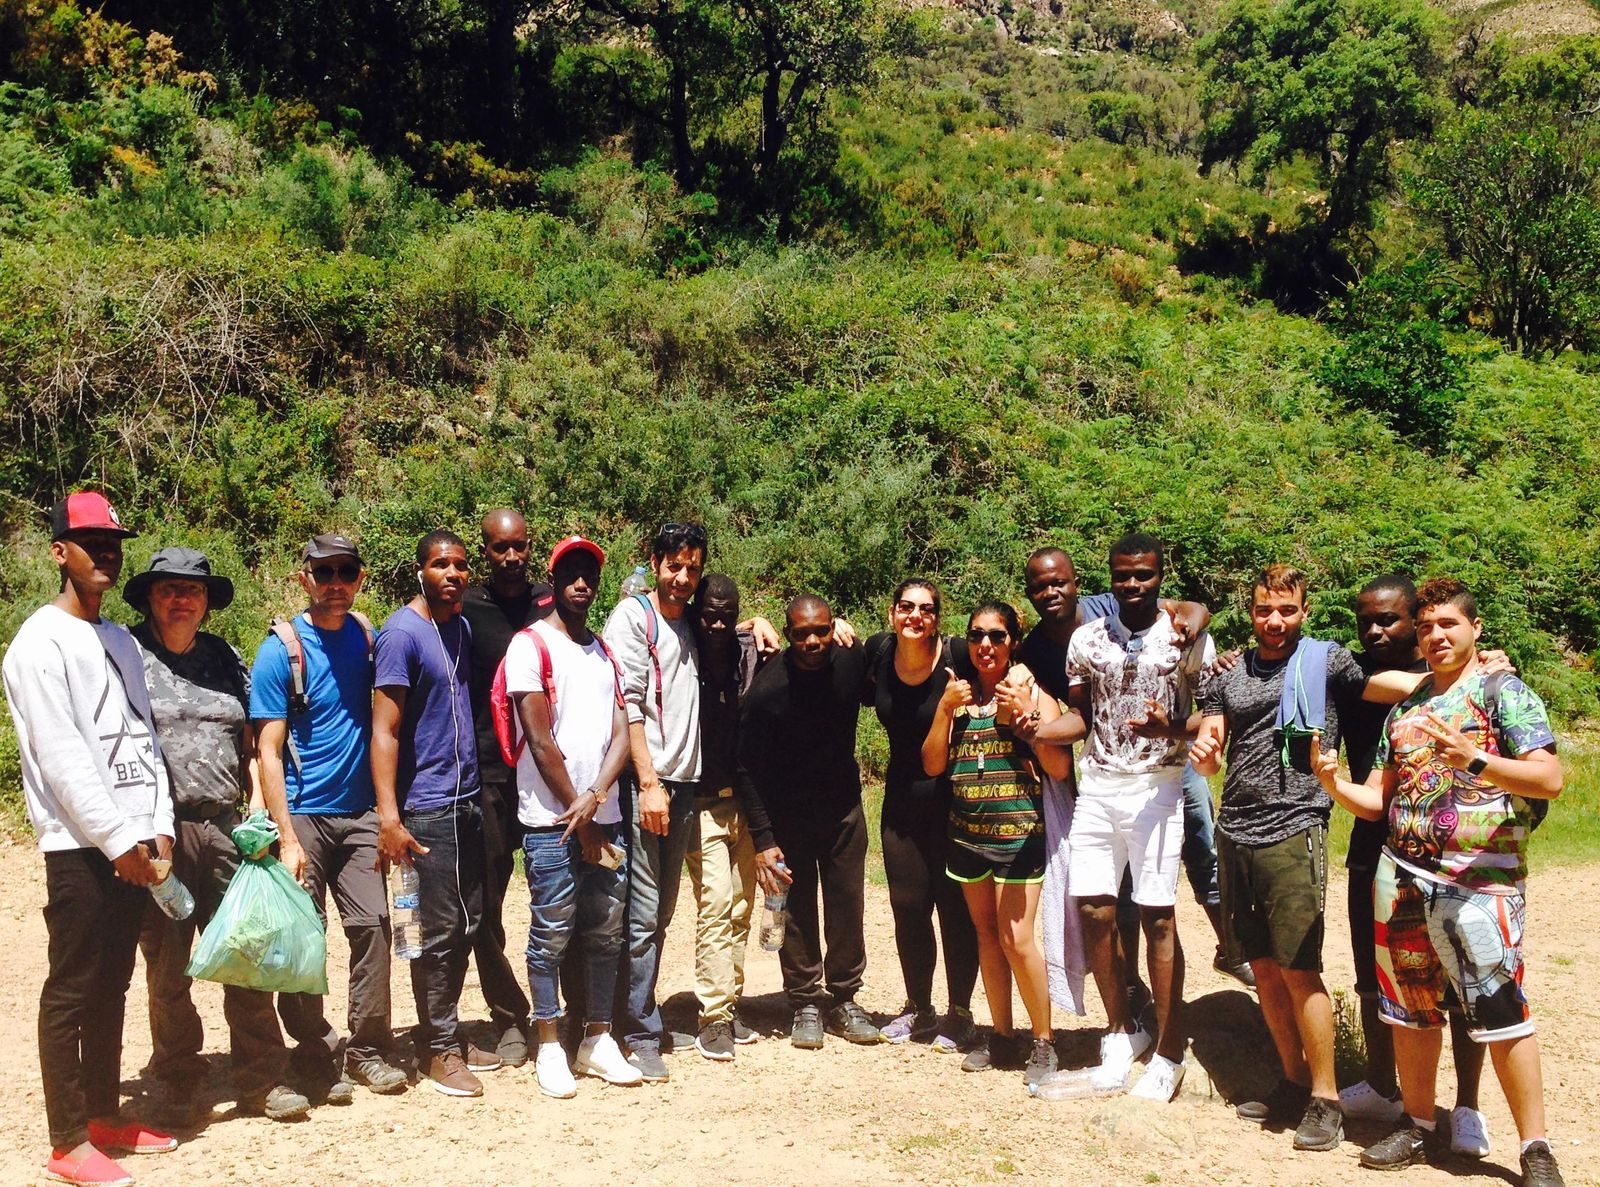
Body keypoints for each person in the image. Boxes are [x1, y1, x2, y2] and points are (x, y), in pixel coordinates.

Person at [1311, 578, 1566, 1187]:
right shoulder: (1407, 708)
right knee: (1410, 1009)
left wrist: (1474, 760)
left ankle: (1535, 1148)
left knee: (1501, 1011)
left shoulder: (1504, 692)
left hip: (1481, 883)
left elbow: (1549, 778)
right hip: (1402, 878)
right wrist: (1330, 782)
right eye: (1426, 628)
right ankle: (1419, 1124)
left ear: (1475, 629)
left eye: (1448, 624)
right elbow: (1376, 800)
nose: (1435, 636)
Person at [1190, 563, 1425, 1152]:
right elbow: (1213, 747)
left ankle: (1327, 1098)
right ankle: (1293, 1081)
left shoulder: (1327, 662)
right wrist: (1203, 754)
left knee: (1299, 966)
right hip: (1236, 827)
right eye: (1265, 609)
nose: (1275, 621)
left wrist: (1466, 673)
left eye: (1287, 610)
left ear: (1304, 611)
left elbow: (1387, 685)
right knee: (1263, 966)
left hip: (1296, 825)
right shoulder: (1229, 675)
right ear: (1250, 611)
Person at [3, 491, 178, 1187]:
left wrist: (157, 822)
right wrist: (116, 841)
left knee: (114, 981)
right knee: (71, 987)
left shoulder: (120, 641)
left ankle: (106, 1115)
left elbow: (144, 736)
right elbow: (62, 757)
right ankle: (67, 1138)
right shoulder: (36, 644)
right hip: (80, 844)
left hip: (136, 841)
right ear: (58, 551)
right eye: (89, 541)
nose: (105, 552)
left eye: (111, 542)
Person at [127, 548, 309, 1126]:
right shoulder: (127, 657)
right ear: (150, 597)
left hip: (230, 828)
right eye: (169, 589)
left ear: (206, 602)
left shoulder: (226, 658)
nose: (182, 599)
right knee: (168, 961)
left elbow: (257, 744)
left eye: (193, 590)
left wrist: (259, 815)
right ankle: (180, 1075)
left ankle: (261, 1079)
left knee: (246, 951)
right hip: (162, 832)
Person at [1050, 533, 1215, 1101]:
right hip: (1098, 784)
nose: (1133, 585)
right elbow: (1080, 717)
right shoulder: (1086, 639)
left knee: (1158, 919)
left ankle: (1169, 1052)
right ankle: (1120, 1033)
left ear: (1160, 575)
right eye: (1123, 575)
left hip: (1160, 785)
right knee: (1094, 910)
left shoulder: (1187, 637)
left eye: (1144, 575)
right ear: (1111, 577)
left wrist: (1166, 729)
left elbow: (1214, 722)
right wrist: (1036, 730)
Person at [1335, 575, 1489, 1155]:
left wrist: (1475, 666)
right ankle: (1383, 1084)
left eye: (1392, 620)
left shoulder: (1465, 681)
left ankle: (1468, 1106)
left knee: (1463, 981)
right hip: (1374, 841)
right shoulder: (1355, 672)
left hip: (1454, 852)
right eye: (1366, 620)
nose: (1376, 630)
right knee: (1377, 977)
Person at [252, 533, 406, 1104]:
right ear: (305, 578)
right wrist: (285, 836)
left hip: (360, 812)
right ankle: (313, 1050)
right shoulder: (281, 650)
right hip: (304, 816)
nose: (335, 583)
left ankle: (367, 1048)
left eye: (346, 571)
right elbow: (266, 748)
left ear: (359, 577)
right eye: (324, 572)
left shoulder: (367, 638)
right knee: (303, 940)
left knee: (372, 928)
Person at [504, 536, 641, 1097]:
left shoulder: (605, 651)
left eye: (590, 574)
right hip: (549, 823)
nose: (582, 583)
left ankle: (598, 1039)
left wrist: (599, 794)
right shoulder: (529, 645)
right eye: (572, 573)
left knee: (606, 932)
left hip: (601, 815)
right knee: (552, 932)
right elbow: (539, 741)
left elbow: (621, 732)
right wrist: (579, 817)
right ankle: (550, 1044)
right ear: (555, 581)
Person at [373, 529, 500, 1097]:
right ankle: (438, 1049)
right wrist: (389, 817)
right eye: (441, 564)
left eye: (460, 565)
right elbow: (386, 729)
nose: (452, 574)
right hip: (424, 807)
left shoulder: (460, 628)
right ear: (420, 569)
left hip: (465, 801)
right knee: (436, 932)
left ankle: (445, 1030)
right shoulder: (401, 635)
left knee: (470, 923)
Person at [922, 601, 1069, 1085]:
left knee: (1017, 937)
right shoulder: (958, 696)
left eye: (997, 636)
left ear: (1013, 642)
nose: (986, 646)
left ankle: (1044, 1040)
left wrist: (1024, 717)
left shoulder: (1031, 693)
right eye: (977, 636)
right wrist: (945, 710)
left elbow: (1059, 768)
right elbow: (932, 765)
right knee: (987, 937)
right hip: (967, 835)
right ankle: (1003, 1036)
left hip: (1018, 835)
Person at [738, 596, 881, 1050]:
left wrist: (851, 631)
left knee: (846, 909)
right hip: (788, 817)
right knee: (794, 913)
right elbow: (747, 769)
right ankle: (803, 1001)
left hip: (842, 812)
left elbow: (887, 668)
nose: (813, 641)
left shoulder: (851, 659)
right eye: (801, 633)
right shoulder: (768, 689)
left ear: (832, 624)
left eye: (821, 630)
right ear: (788, 634)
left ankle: (843, 999)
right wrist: (763, 838)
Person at [603, 522, 708, 1082]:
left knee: (661, 913)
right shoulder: (633, 617)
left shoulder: (688, 622)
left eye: (692, 568)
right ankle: (638, 1030)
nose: (683, 577)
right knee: (641, 914)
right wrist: (647, 783)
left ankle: (632, 1012)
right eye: (674, 566)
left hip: (684, 783)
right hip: (650, 783)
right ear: (655, 562)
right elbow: (630, 705)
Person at [862, 579, 980, 1052]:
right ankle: (919, 1008)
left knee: (956, 911)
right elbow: (827, 649)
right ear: (892, 614)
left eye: (927, 609)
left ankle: (961, 1013)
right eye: (907, 607)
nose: (916, 616)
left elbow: (1005, 669)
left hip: (955, 800)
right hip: (901, 801)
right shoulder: (877, 654)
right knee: (909, 908)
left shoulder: (957, 656)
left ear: (938, 618)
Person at [459, 507, 554, 1068]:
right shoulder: (467, 609)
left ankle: (561, 1009)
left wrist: (747, 625)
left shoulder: (551, 601)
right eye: (499, 548)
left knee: (558, 897)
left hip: (548, 775)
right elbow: (413, 629)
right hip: (489, 778)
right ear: (486, 552)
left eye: (519, 546)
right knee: (484, 906)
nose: (512, 557)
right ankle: (509, 1015)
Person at [684, 573, 764, 1060]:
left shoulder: (749, 652)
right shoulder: (683, 648)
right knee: (714, 905)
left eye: (727, 615)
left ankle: (729, 1004)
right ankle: (712, 1016)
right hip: (701, 804)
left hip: (746, 804)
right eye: (709, 613)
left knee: (740, 907)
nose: (716, 623)